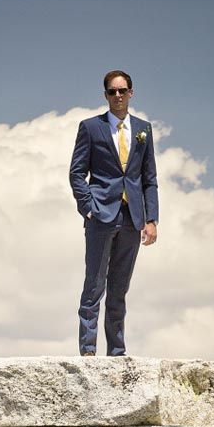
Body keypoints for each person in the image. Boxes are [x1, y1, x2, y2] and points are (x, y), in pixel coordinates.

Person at [69, 69, 158, 356]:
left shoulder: (144, 129)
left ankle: (117, 351)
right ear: (105, 95)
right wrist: (88, 207)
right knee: (94, 284)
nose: (117, 96)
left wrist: (151, 219)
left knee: (119, 287)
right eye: (112, 91)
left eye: (122, 91)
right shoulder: (90, 127)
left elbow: (149, 178)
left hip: (132, 217)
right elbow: (76, 173)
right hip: (100, 215)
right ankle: (88, 349)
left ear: (131, 93)